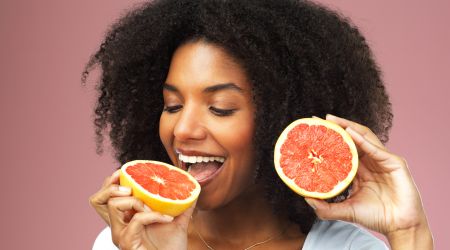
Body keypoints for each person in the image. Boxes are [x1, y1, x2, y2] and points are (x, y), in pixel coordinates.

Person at [85, 0, 433, 249]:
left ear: (279, 119)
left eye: (219, 108)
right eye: (172, 105)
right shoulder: (127, 242)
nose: (183, 130)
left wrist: (409, 230)